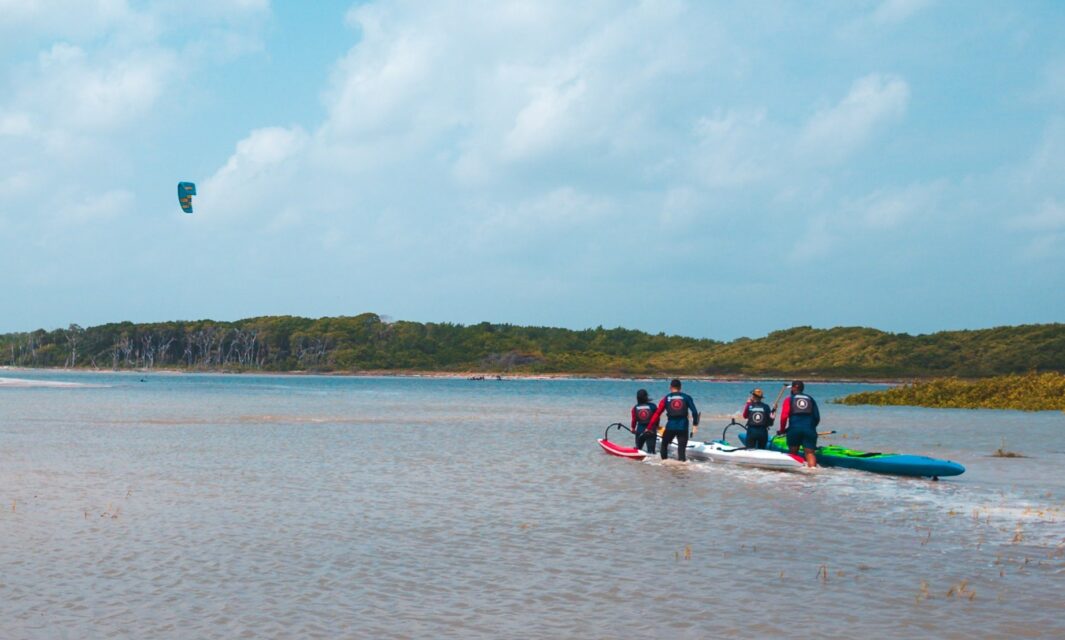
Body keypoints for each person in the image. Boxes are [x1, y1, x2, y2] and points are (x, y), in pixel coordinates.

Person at [648, 379, 700, 461]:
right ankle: (681, 469)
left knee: (664, 445)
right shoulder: (687, 397)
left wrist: (649, 426)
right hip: (683, 427)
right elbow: (694, 412)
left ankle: (664, 463)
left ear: (670, 387)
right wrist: (695, 424)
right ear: (680, 387)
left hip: (670, 427)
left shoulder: (666, 398)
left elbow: (657, 413)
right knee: (681, 450)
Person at [777, 380, 820, 467]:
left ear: (792, 388)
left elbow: (784, 417)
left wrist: (782, 430)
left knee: (793, 453)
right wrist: (811, 427)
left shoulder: (789, 399)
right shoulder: (811, 399)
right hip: (809, 429)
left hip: (794, 429)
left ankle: (795, 478)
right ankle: (813, 474)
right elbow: (817, 417)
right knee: (810, 453)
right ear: (802, 389)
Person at [631, 389, 657, 454]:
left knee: (638, 450)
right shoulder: (653, 406)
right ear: (647, 396)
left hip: (640, 431)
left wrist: (633, 428)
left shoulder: (635, 408)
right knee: (651, 452)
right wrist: (656, 426)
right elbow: (657, 418)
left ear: (637, 398)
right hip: (651, 431)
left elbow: (634, 420)